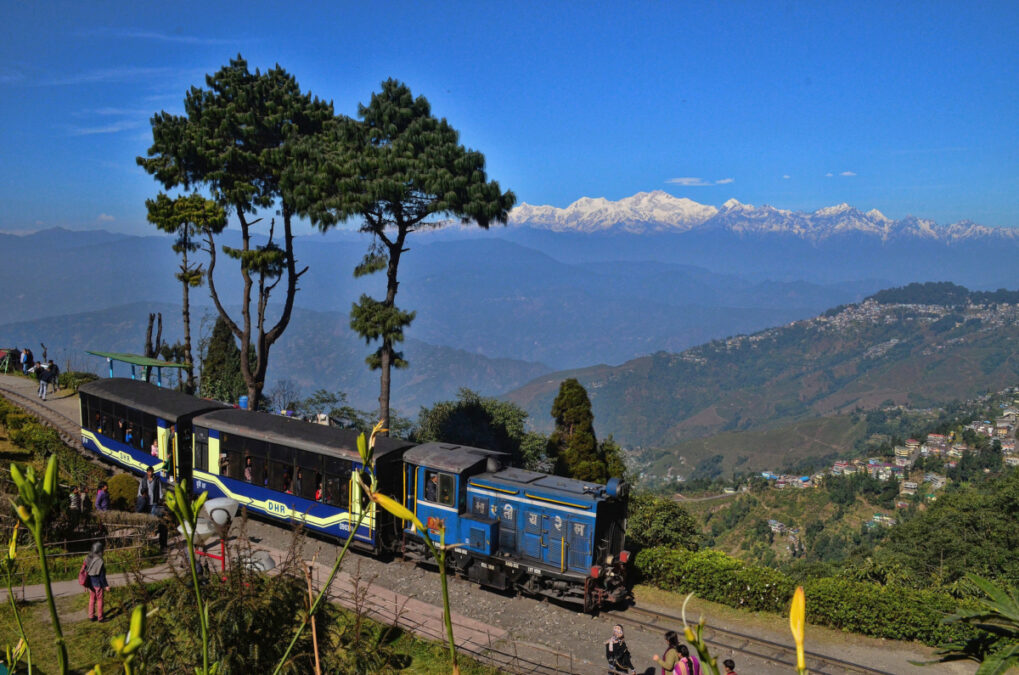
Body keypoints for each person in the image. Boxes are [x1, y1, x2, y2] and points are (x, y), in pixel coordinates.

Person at [83, 541, 110, 622]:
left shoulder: (88, 558)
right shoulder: (100, 561)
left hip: (90, 583)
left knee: (92, 599)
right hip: (98, 583)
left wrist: (85, 585)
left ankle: (91, 616)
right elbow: (102, 576)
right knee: (100, 600)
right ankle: (100, 618)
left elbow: (85, 572)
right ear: (100, 550)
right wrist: (106, 585)